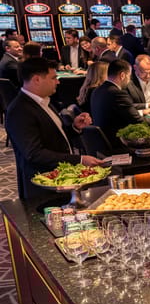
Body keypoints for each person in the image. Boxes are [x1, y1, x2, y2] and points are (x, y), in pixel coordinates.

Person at [6, 58, 105, 199]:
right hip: (43, 188)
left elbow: (55, 136)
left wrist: (75, 127)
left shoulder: (44, 100)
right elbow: (34, 154)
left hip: (61, 181)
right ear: (36, 80)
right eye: (53, 78)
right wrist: (80, 160)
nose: (58, 82)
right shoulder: (20, 110)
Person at [91, 59, 150, 144]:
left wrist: (141, 111)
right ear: (122, 75)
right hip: (118, 143)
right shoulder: (117, 93)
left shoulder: (97, 90)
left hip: (102, 142)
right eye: (129, 76)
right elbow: (138, 121)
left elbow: (117, 113)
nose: (129, 80)